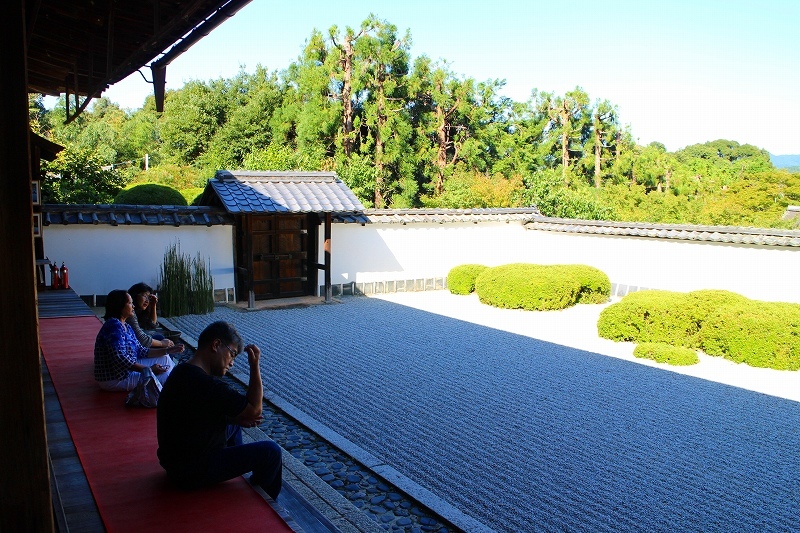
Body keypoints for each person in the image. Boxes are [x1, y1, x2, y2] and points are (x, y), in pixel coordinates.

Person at [156, 321, 282, 500]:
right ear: (216, 345)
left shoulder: (181, 372)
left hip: (175, 463)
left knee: (234, 424)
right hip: (191, 471)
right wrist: (255, 366)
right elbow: (254, 410)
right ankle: (263, 500)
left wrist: (236, 419)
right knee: (271, 452)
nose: (232, 363)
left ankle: (236, 473)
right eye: (232, 354)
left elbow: (195, 414)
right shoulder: (208, 385)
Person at [94, 289, 184, 391]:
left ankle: (174, 381)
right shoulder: (113, 326)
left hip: (124, 371)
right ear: (119, 306)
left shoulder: (126, 325)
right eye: (130, 303)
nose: (133, 306)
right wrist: (149, 370)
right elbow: (121, 359)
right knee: (165, 376)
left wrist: (168, 350)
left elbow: (141, 350)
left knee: (165, 357)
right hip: (114, 378)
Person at [127, 282, 173, 349]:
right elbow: (141, 339)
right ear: (134, 296)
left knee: (159, 338)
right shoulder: (130, 313)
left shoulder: (140, 312)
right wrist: (162, 343)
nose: (147, 300)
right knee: (161, 341)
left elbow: (152, 325)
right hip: (131, 347)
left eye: (149, 297)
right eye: (144, 296)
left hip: (137, 344)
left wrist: (153, 304)